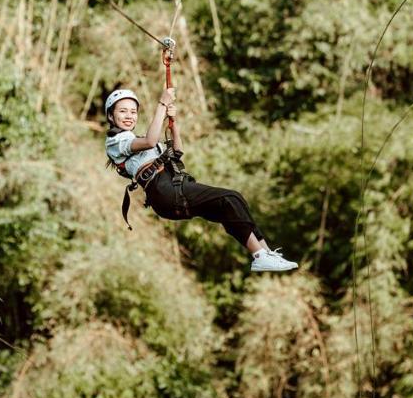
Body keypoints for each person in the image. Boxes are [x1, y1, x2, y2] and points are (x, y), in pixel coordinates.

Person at [103, 87, 298, 272]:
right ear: (111, 116)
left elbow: (177, 151)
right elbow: (150, 140)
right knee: (229, 198)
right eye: (123, 112)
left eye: (133, 112)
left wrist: (173, 123)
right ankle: (259, 255)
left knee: (231, 205)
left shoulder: (136, 140)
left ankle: (264, 253)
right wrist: (162, 105)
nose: (129, 116)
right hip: (163, 190)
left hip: (173, 185)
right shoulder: (116, 142)